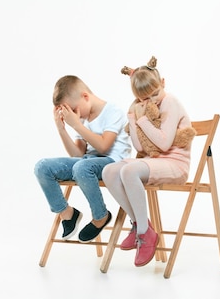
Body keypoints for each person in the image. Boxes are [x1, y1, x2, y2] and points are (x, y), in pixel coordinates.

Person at [102, 56, 195, 267]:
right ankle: (139, 225)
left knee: (128, 171)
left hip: (175, 164)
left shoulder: (170, 101)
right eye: (145, 98)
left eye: (155, 94)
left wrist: (142, 120)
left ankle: (144, 233)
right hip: (151, 160)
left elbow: (163, 144)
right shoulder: (141, 106)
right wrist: (133, 121)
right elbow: (141, 148)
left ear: (163, 83)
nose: (152, 100)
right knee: (109, 171)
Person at [35, 75, 131, 243]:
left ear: (85, 97)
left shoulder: (112, 111)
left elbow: (103, 147)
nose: (73, 115)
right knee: (42, 167)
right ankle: (68, 214)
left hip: (114, 163)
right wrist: (62, 129)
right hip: (87, 163)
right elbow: (78, 155)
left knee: (81, 168)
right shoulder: (83, 119)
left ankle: (101, 216)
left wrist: (76, 125)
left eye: (73, 109)